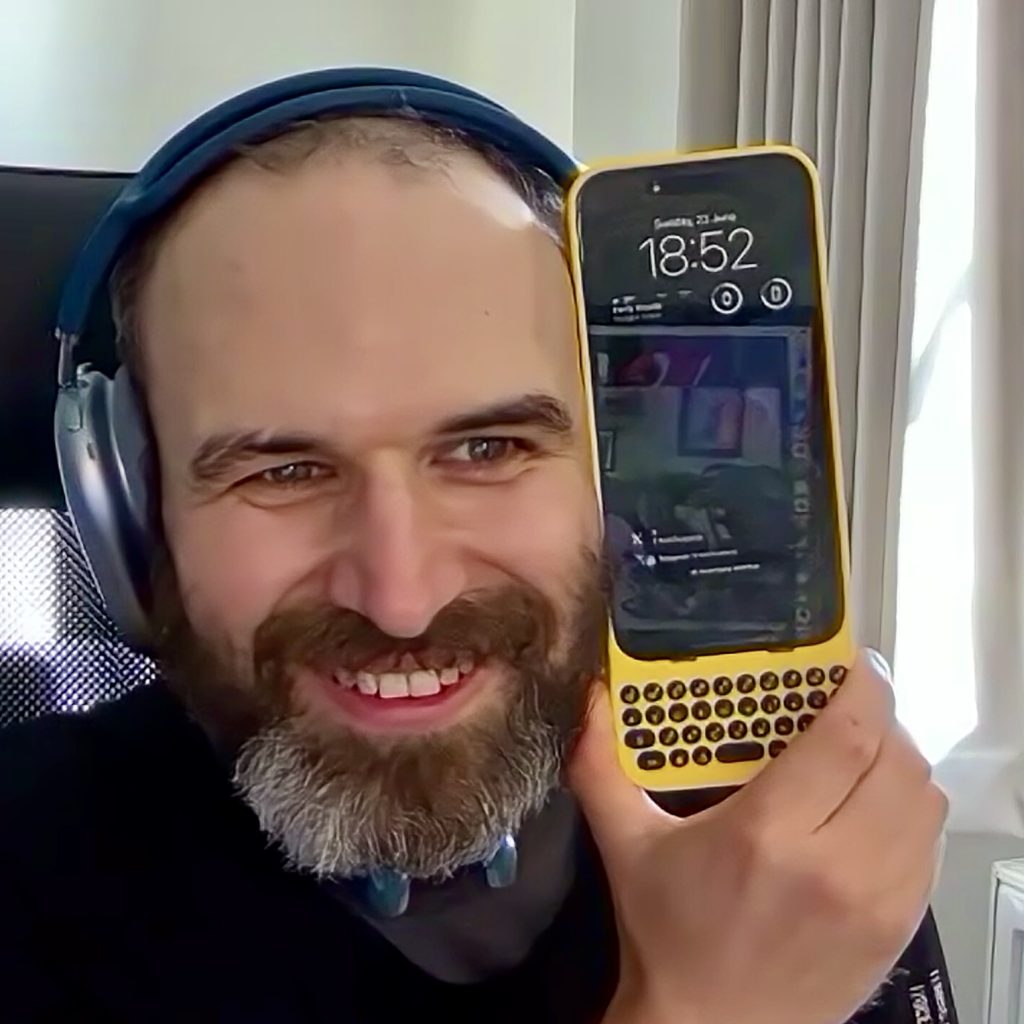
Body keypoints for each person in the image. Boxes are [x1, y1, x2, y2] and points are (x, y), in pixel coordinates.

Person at [0, 71, 956, 1024]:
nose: (401, 596)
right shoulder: (30, 868)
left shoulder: (770, 822)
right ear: (126, 508)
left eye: (487, 450)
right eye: (283, 471)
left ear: (620, 476)